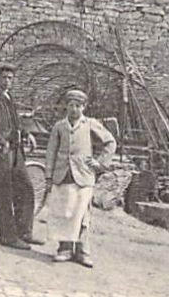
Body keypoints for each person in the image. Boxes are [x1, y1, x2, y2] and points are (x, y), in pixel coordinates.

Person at [42, 88, 115, 267]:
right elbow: (51, 152)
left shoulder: (90, 124)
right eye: (71, 105)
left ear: (84, 107)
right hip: (63, 174)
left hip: (83, 175)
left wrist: (100, 163)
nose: (74, 109)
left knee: (82, 214)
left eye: (78, 106)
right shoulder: (59, 126)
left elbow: (110, 142)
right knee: (64, 212)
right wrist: (49, 175)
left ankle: (83, 251)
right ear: (65, 107)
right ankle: (64, 249)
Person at [0, 62, 40, 249]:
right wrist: (0, 141)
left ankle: (24, 231)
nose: (7, 81)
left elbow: (15, 122)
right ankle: (8, 236)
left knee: (26, 188)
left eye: (10, 78)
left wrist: (27, 135)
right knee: (4, 193)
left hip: (15, 149)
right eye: (3, 77)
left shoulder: (8, 96)